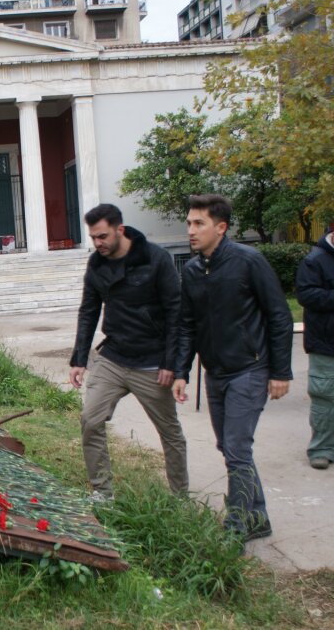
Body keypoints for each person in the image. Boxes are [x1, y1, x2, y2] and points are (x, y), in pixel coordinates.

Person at [173, 194, 293, 543]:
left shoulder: (248, 261)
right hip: (216, 372)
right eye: (189, 223)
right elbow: (187, 325)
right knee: (229, 447)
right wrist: (181, 372)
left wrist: (281, 372)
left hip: (250, 369)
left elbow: (280, 316)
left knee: (238, 448)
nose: (191, 230)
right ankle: (259, 518)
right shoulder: (192, 271)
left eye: (199, 223)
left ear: (221, 227)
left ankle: (236, 528)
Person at [69, 203, 188, 501]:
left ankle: (180, 499)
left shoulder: (155, 258)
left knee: (170, 432)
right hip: (114, 357)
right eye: (93, 237)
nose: (98, 243)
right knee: (90, 419)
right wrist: (79, 359)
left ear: (120, 230)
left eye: (103, 236)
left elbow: (176, 312)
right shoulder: (97, 264)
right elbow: (89, 310)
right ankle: (102, 493)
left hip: (152, 362)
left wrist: (171, 362)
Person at [296, 228, 334, 470]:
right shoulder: (314, 260)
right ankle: (321, 449)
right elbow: (306, 295)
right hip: (325, 342)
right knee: (324, 397)